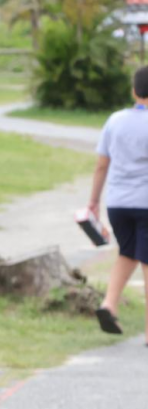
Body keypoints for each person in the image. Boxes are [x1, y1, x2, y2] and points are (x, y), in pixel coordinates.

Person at [89, 65, 148, 345]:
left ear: (134, 90)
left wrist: (93, 201)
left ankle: (109, 303)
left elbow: (102, 164)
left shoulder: (115, 120)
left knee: (127, 252)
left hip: (118, 203)